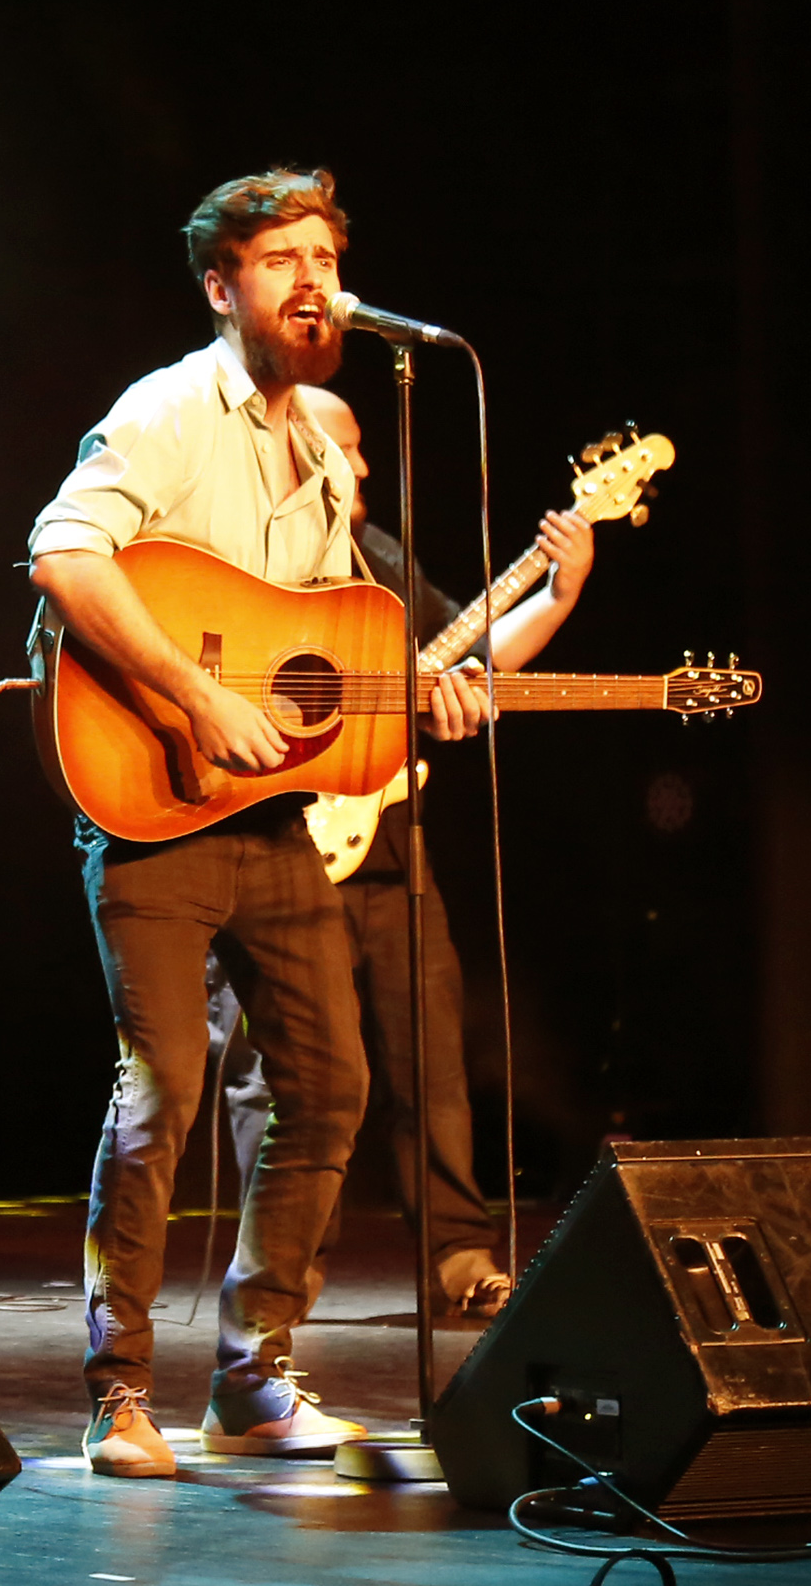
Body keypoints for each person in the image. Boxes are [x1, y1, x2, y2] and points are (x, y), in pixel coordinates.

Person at [28, 166, 488, 1480]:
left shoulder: (324, 450)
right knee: (164, 1086)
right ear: (222, 287)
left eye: (324, 259)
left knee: (331, 1083)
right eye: (281, 260)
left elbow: (321, 656)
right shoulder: (170, 410)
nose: (312, 283)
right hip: (153, 806)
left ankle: (253, 1371)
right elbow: (64, 553)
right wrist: (191, 694)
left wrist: (426, 699)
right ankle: (120, 1390)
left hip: (274, 822)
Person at [206, 385, 593, 1322]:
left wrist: (559, 589)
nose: (365, 465)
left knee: (432, 1061)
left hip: (388, 846)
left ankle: (459, 1254)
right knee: (283, 1076)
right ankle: (284, 1265)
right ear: (294, 446)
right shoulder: (240, 551)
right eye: (347, 446)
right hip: (272, 842)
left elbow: (470, 655)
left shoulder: (374, 554)